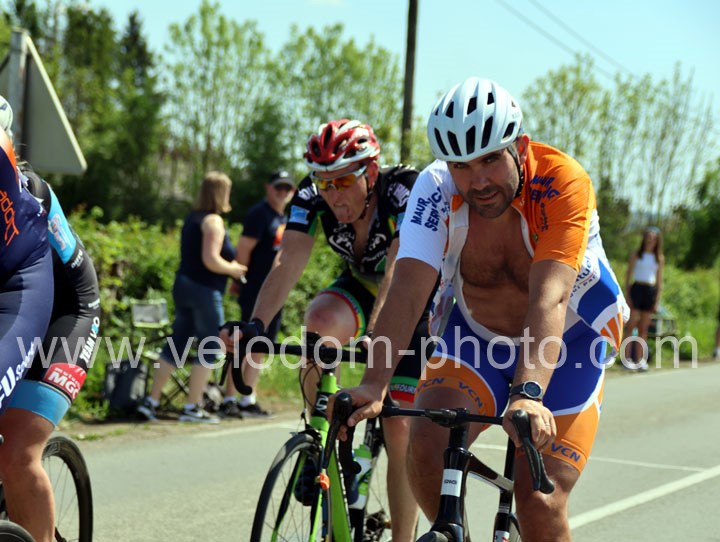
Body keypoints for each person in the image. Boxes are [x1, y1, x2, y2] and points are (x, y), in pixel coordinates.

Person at [335, 78, 629, 542]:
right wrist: (374, 383)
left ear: (520, 148)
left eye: (490, 159)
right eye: (461, 165)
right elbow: (409, 288)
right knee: (425, 448)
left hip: (567, 345)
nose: (478, 181)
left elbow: (549, 296)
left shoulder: (561, 182)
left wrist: (528, 392)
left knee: (540, 501)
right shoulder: (435, 188)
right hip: (476, 337)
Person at [221, 119, 432, 542]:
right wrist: (256, 325)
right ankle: (319, 437)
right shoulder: (309, 195)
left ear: (371, 172)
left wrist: (378, 335)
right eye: (325, 183)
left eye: (344, 181)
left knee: (399, 429)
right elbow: (288, 261)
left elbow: (397, 271)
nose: (333, 194)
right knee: (318, 322)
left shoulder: (403, 190)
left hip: (413, 296)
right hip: (359, 286)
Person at [0, 96, 98, 541]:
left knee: (17, 451)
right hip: (13, 311)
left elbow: (76, 279)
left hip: (68, 312)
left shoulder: (32, 193)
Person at [137, 171, 247, 423]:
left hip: (184, 285)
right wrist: (234, 269)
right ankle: (192, 407)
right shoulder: (213, 221)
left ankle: (151, 401)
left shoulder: (192, 219)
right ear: (221, 193)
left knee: (178, 343)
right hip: (205, 290)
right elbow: (211, 259)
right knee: (211, 345)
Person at [220, 170, 296, 418]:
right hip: (255, 288)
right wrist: (239, 280)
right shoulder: (259, 214)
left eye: (287, 188)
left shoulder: (283, 217)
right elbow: (244, 248)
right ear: (268, 187)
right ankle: (229, 398)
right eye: (278, 187)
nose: (282, 192)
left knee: (261, 345)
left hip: (275, 290)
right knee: (244, 342)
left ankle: (247, 398)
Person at [623, 226, 664, 371]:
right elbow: (628, 276)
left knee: (644, 328)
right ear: (644, 238)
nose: (650, 240)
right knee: (631, 325)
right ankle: (627, 359)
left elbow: (659, 281)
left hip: (650, 291)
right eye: (648, 237)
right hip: (637, 289)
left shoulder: (659, 258)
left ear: (657, 240)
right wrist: (627, 295)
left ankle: (640, 359)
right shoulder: (636, 255)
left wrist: (657, 299)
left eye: (653, 238)